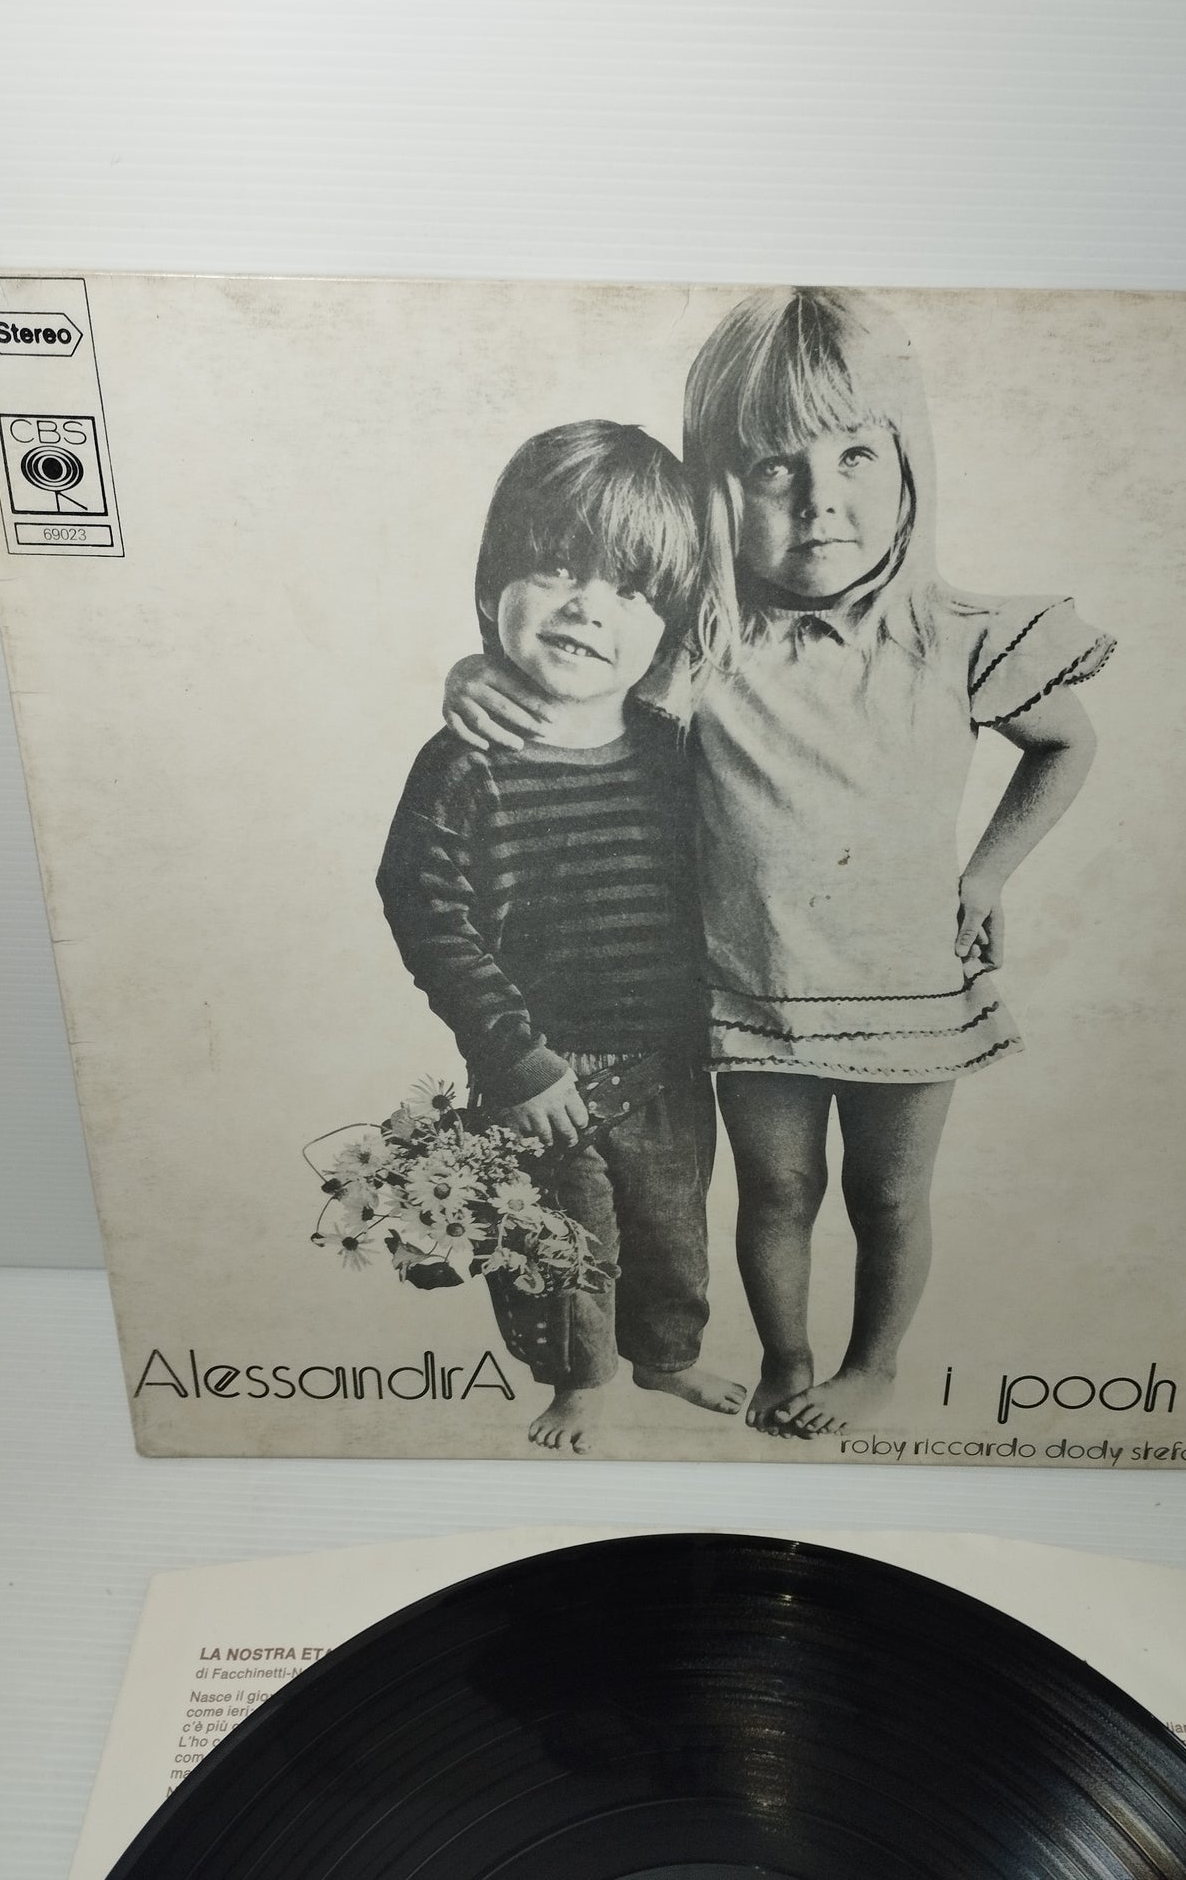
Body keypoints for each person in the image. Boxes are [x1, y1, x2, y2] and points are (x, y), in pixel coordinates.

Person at [444, 291, 1114, 1440]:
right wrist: (478, 673)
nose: (818, 498)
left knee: (888, 1192)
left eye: (854, 453)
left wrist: (987, 875)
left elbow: (1066, 743)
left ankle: (873, 1362)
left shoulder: (956, 635)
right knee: (776, 1191)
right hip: (755, 986)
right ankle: (788, 1360)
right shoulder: (704, 644)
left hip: (909, 980)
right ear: (718, 489)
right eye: (771, 467)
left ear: (906, 460)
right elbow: (578, 672)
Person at [378, 420, 745, 1455]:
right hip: (541, 1065)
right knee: (557, 1244)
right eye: (553, 567)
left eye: (631, 588)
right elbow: (429, 915)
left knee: (672, 1225)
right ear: (492, 582)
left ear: (671, 622)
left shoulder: (674, 753)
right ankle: (578, 1382)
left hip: (667, 1057)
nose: (588, 605)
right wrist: (514, 1057)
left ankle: (665, 1356)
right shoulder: (464, 760)